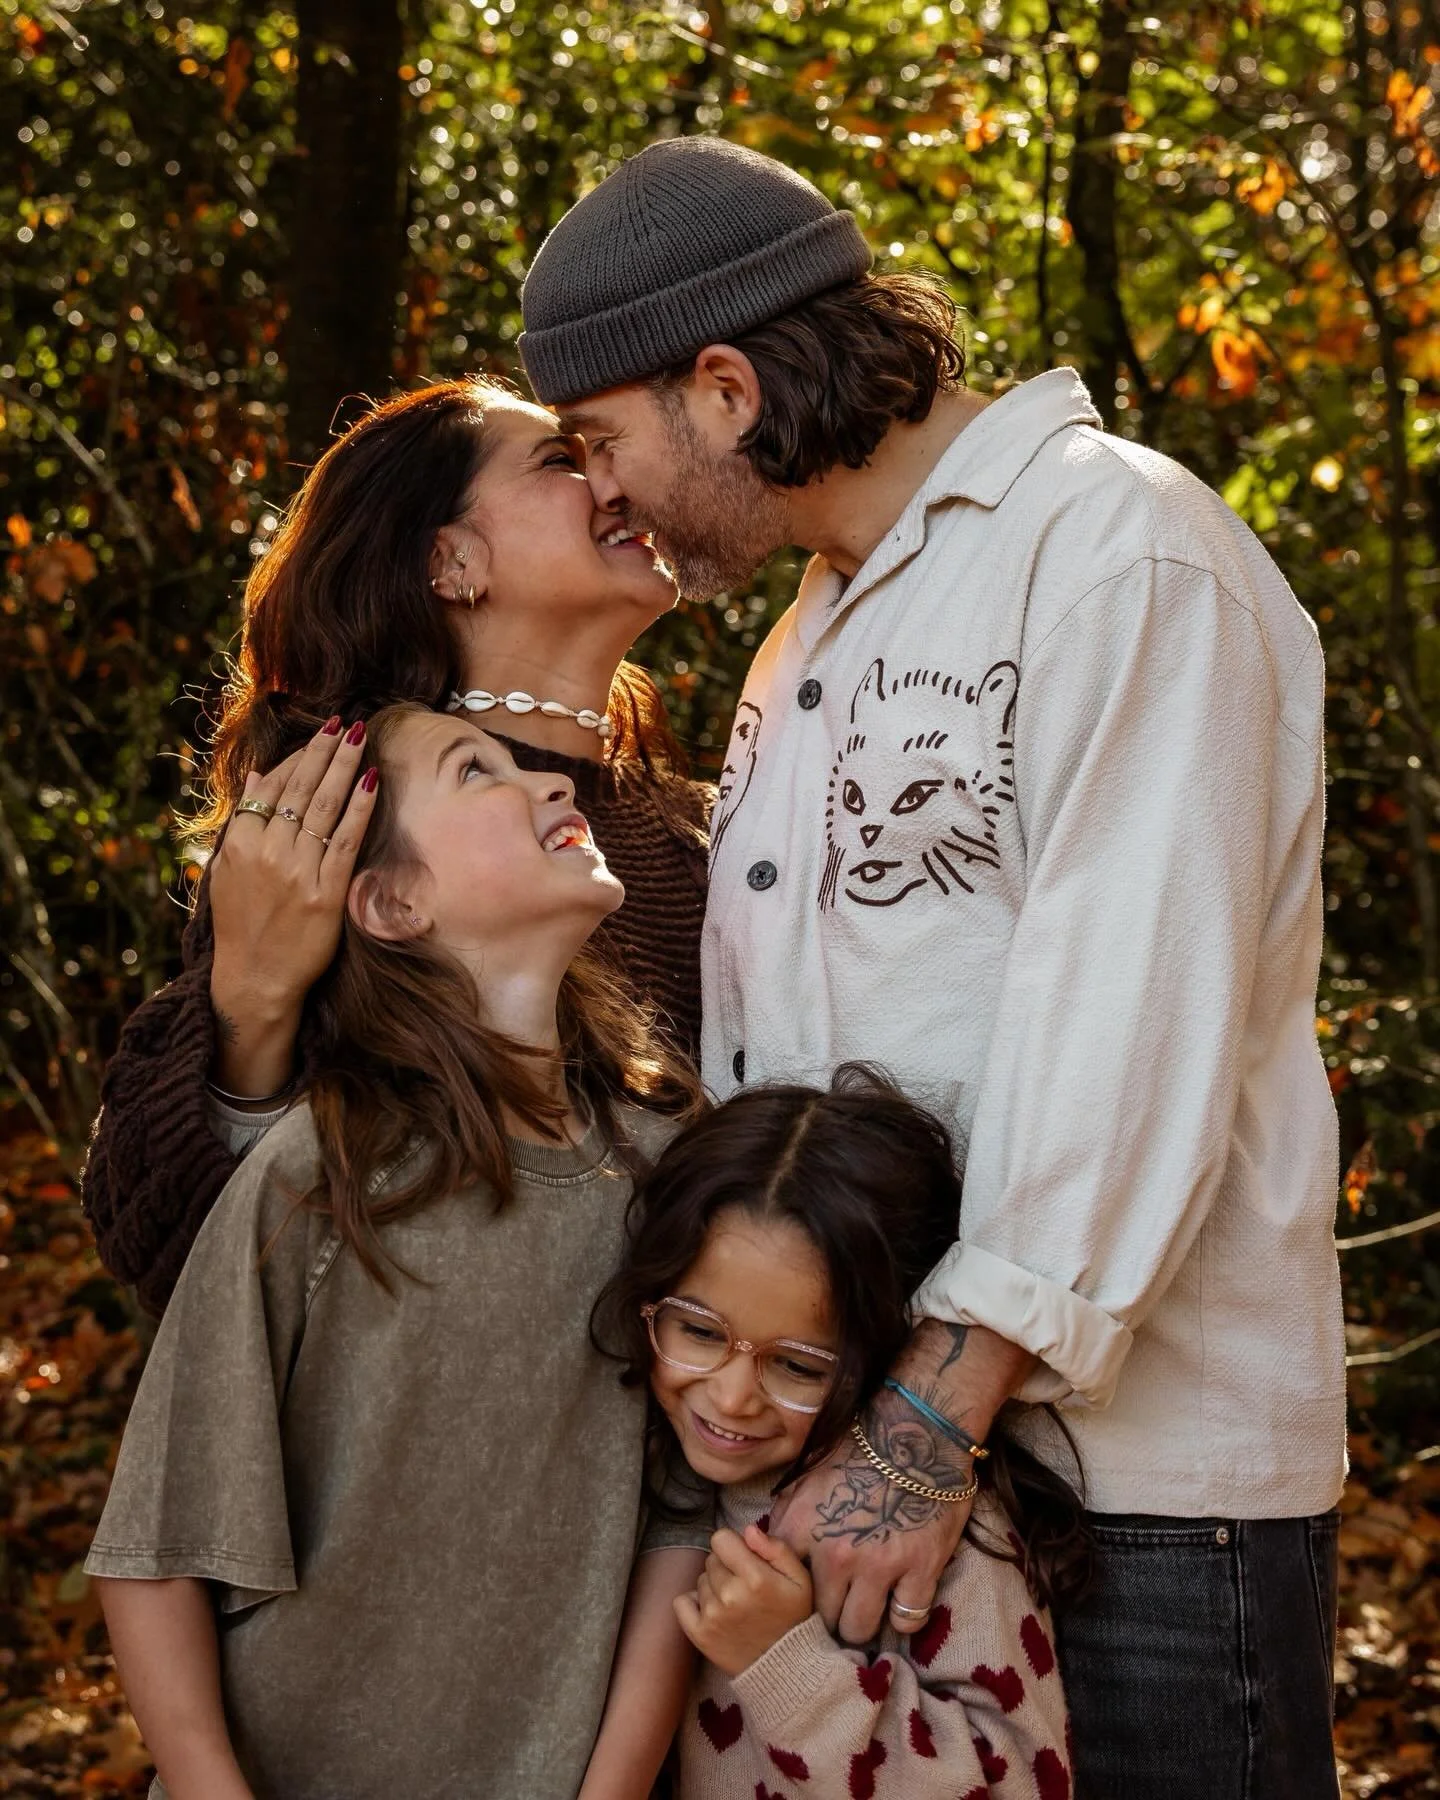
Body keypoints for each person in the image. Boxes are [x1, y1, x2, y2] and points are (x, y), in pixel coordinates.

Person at [518, 133, 1345, 1797]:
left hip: (1132, 1497)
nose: (601, 495)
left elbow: (1131, 1016)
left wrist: (926, 1429)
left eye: (606, 443)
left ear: (730, 389)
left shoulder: (1120, 555)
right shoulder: (811, 628)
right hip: (882, 1471)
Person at [85, 704, 705, 1800]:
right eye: (480, 772)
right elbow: (158, 1550)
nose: (551, 786)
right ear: (393, 900)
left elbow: (678, 1531)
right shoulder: (316, 1177)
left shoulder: (671, 1189)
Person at [81, 377, 710, 1317]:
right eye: (561, 461)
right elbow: (172, 1251)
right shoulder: (353, 815)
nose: (615, 483)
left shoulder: (704, 817)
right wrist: (250, 1006)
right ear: (450, 561)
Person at [593, 1070, 1083, 1800]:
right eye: (697, 1330)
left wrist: (786, 1660)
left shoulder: (936, 1541)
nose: (730, 1397)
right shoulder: (633, 1472)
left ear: (890, 1351)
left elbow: (1016, 1788)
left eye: (797, 1365)